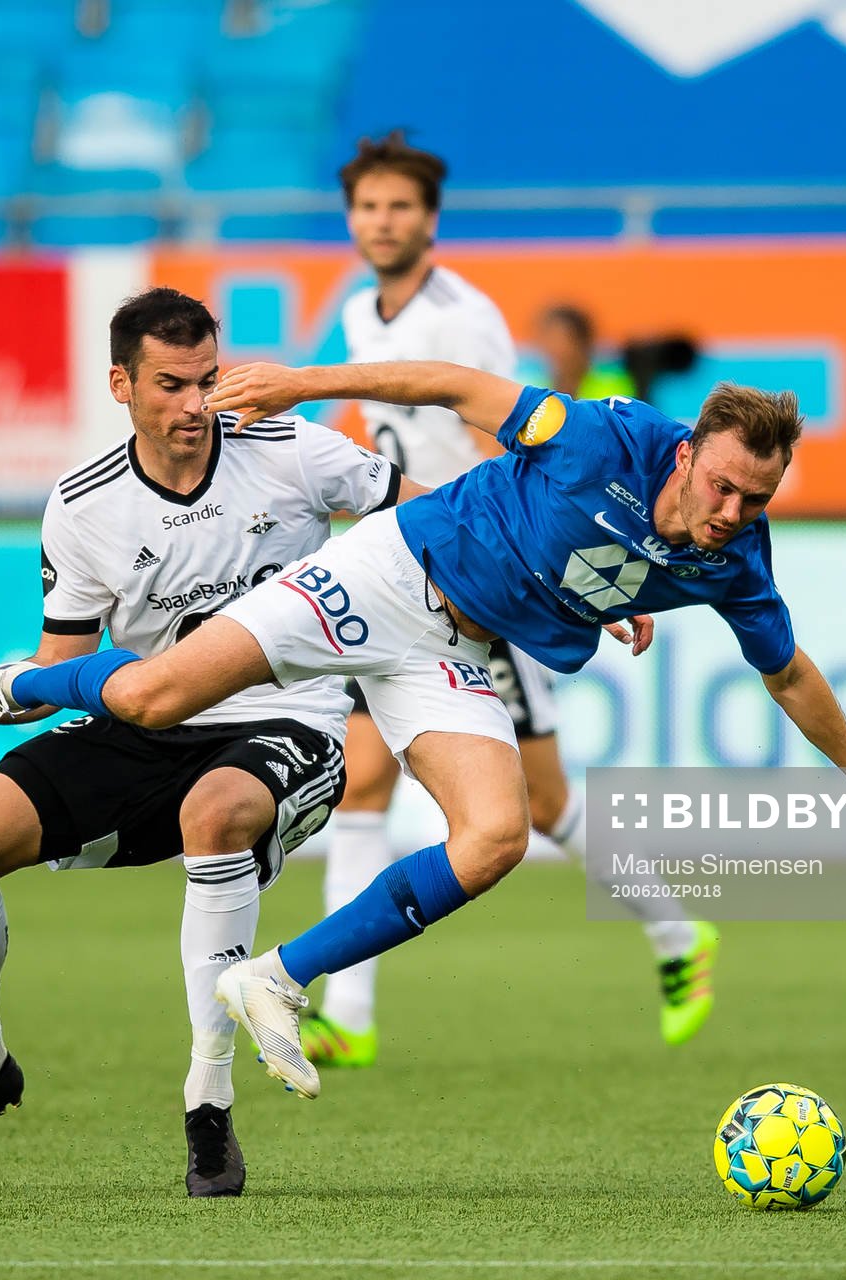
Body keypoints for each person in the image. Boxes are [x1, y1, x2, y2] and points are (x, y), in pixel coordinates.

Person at [0, 358, 846, 1104]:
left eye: (755, 497)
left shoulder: (737, 557)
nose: (731, 511)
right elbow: (453, 385)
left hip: (451, 654)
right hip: (386, 571)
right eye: (721, 485)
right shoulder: (596, 435)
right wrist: (305, 385)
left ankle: (278, 976)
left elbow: (790, 672)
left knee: (494, 837)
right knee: (150, 699)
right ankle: (17, 685)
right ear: (689, 448)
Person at [0, 289, 420, 1194]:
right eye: (170, 385)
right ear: (120, 385)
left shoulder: (293, 449)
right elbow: (66, 666)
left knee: (215, 815)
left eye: (208, 380)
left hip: (288, 719)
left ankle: (207, 1108)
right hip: (143, 722)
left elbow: (443, 522)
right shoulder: (83, 504)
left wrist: (566, 588)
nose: (194, 405)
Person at [311, 133, 717, 1068]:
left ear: (430, 220)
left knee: (539, 805)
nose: (383, 222)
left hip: (491, 578)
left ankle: (674, 931)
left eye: (400, 207)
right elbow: (376, 431)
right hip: (404, 570)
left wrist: (570, 571)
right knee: (362, 784)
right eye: (369, 206)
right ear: (352, 217)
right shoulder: (361, 314)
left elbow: (515, 440)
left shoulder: (466, 322)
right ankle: (350, 1012)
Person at [536, 305, 637, 402]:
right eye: (546, 341)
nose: (552, 350)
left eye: (559, 341)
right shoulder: (538, 382)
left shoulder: (611, 381)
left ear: (582, 343)